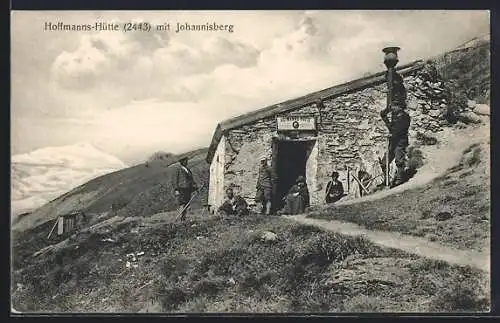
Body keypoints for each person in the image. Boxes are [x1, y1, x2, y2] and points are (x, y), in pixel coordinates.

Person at [379, 72, 411, 188]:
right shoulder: (394, 117)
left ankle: (400, 180)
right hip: (393, 142)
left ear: (400, 107)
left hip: (399, 142)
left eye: (394, 107)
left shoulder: (405, 117)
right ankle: (387, 180)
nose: (392, 108)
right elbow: (391, 128)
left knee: (399, 161)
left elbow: (399, 131)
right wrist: (384, 118)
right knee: (384, 163)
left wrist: (392, 134)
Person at [174, 156, 198, 221]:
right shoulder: (179, 169)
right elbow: (176, 180)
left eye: (186, 160)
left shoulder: (187, 170)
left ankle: (183, 218)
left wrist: (195, 187)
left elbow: (191, 179)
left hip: (188, 189)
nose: (186, 162)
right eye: (185, 160)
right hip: (182, 189)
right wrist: (176, 190)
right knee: (182, 203)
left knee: (187, 203)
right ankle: (180, 217)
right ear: (182, 162)